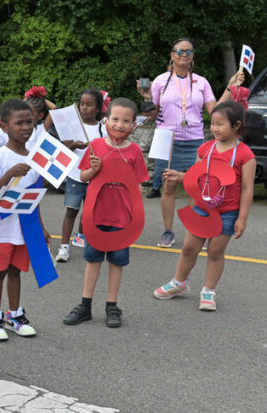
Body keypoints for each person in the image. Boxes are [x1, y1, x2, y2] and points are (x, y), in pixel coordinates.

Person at [137, 38, 244, 248]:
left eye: (188, 51)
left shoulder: (201, 82)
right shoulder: (160, 81)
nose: (183, 55)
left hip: (195, 139)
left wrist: (230, 88)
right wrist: (147, 98)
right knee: (168, 187)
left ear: (193, 56)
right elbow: (151, 114)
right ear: (172, 55)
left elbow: (214, 111)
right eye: (179, 51)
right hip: (167, 140)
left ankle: (198, 229)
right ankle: (168, 231)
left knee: (200, 186)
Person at [153, 101, 256, 311]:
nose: (214, 128)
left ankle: (208, 290)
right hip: (202, 208)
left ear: (236, 125)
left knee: (215, 252)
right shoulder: (205, 148)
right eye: (212, 124)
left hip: (227, 213)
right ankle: (179, 283)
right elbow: (196, 177)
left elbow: (247, 189)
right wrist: (179, 176)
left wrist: (242, 218)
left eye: (220, 124)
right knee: (189, 248)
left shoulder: (245, 155)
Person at [62, 98, 149, 328]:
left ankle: (112, 305)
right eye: (116, 119)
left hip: (122, 218)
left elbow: (138, 186)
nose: (120, 125)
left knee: (117, 262)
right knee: (92, 260)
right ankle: (85, 305)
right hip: (96, 215)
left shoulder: (134, 151)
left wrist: (135, 215)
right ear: (106, 120)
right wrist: (93, 168)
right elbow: (82, 177)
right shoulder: (96, 146)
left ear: (133, 125)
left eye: (126, 121)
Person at [0, 99, 51, 340]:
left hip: (24, 228)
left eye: (29, 122)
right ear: (4, 126)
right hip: (2, 227)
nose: (25, 127)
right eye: (18, 122)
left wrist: (41, 228)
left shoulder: (35, 158)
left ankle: (14, 315)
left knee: (15, 272)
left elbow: (35, 197)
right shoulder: (0, 156)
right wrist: (9, 174)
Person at [56, 89, 104, 262]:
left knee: (89, 211)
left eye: (89, 105)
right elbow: (63, 150)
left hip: (95, 177)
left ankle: (83, 239)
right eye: (82, 104)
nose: (84, 108)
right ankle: (64, 247)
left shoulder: (103, 128)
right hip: (75, 176)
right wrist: (74, 145)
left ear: (98, 108)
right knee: (71, 210)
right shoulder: (73, 126)